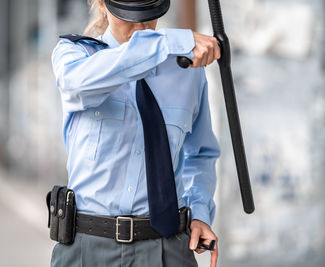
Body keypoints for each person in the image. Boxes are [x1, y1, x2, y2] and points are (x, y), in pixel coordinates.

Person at [50, 0, 221, 266]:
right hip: (88, 247)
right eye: (128, 17)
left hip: (166, 247)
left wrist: (199, 213)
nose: (140, 28)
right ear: (101, 4)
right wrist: (169, 41)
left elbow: (201, 154)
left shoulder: (187, 72)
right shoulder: (76, 56)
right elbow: (77, 84)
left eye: (148, 17)